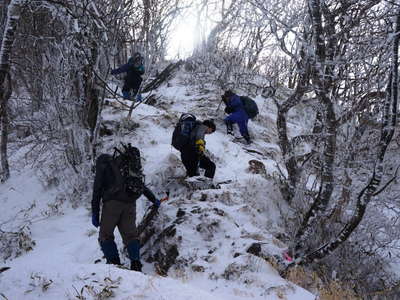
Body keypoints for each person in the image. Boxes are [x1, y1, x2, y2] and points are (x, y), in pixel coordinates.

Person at [91, 144, 161, 272]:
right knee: (131, 236)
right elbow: (142, 186)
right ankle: (135, 264)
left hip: (112, 204)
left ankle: (115, 265)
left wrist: (95, 213)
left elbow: (97, 190)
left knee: (105, 235)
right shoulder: (126, 166)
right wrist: (154, 199)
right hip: (130, 203)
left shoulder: (104, 165)